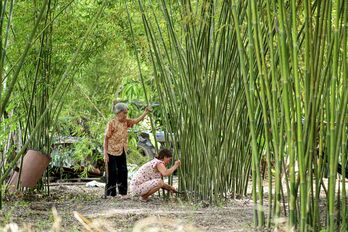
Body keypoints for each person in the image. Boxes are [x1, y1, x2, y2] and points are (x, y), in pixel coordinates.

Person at [104, 102, 151, 198]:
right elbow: (106, 138)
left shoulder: (126, 122)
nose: (126, 115)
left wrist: (145, 113)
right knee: (112, 171)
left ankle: (123, 193)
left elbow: (136, 121)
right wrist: (105, 154)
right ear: (118, 113)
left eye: (126, 113)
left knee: (123, 171)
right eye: (124, 113)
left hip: (122, 149)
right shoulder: (112, 123)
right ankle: (110, 194)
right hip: (111, 150)